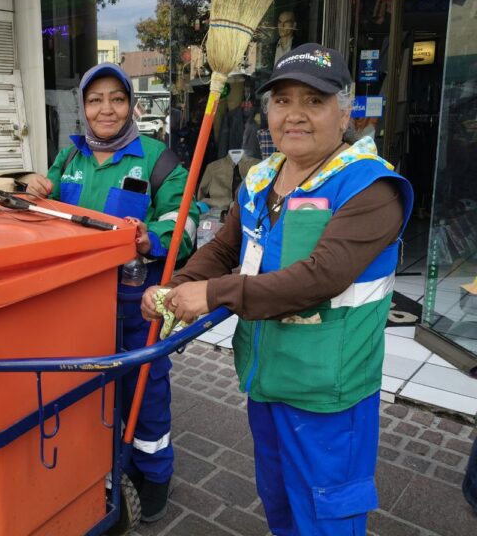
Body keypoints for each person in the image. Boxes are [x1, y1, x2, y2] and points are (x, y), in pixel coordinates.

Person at [142, 43, 413, 535]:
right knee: (280, 509)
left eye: (314, 101)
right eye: (283, 101)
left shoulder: (370, 188)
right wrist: (178, 286)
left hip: (329, 395)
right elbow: (224, 249)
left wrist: (215, 294)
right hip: (266, 382)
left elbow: (319, 278)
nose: (295, 115)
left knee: (326, 521)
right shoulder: (262, 179)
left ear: (346, 109)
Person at [22, 62, 198, 522]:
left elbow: (188, 224)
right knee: (90, 390)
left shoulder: (159, 159)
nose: (107, 109)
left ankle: (154, 473)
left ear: (131, 105)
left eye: (116, 99)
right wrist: (34, 190)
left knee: (145, 392)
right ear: (82, 107)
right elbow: (40, 217)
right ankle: (103, 465)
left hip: (136, 305)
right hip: (76, 304)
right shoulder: (69, 158)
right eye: (95, 100)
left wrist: (149, 236)